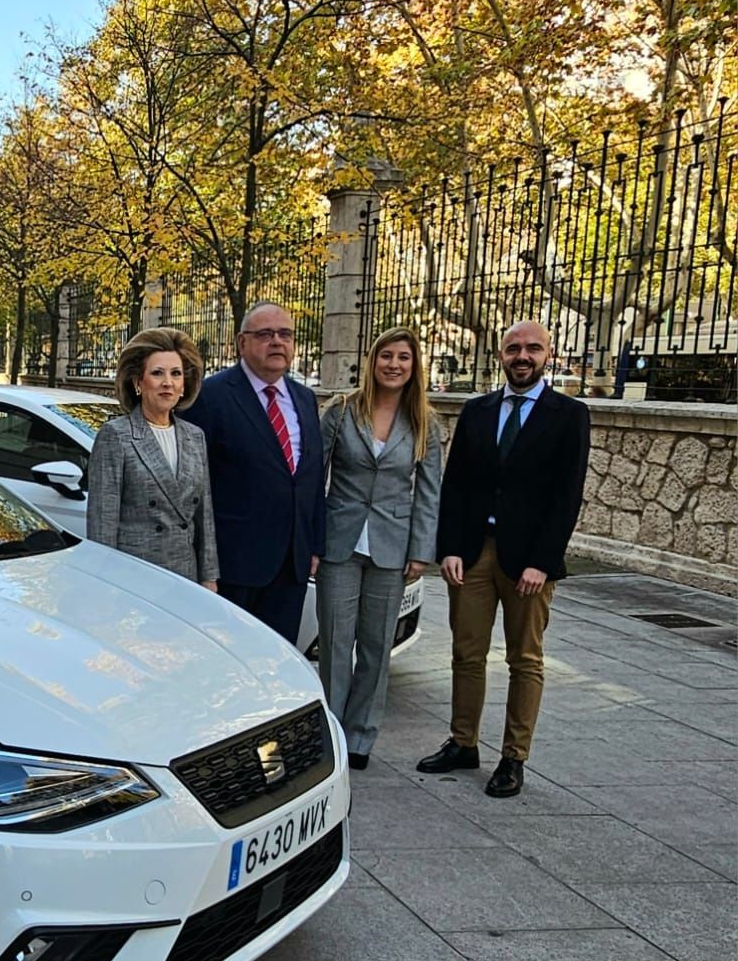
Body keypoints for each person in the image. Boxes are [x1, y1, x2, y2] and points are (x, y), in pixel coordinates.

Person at [417, 320, 591, 797]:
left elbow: (566, 496)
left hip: (528, 563)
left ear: (547, 355)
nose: (522, 356)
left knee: (524, 659)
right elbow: (455, 485)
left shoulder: (569, 414)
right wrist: (448, 547)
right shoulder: (477, 411)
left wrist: (544, 560)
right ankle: (463, 742)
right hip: (472, 554)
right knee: (466, 653)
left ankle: (514, 757)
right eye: (514, 348)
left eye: (532, 349)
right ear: (500, 354)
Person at [317, 327, 443, 770]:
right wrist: (314, 540)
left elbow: (429, 493)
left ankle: (360, 738)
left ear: (414, 366)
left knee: (376, 647)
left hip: (392, 546)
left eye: (403, 358)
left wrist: (421, 550)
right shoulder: (342, 411)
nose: (394, 364)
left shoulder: (426, 421)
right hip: (340, 541)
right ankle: (328, 733)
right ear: (372, 361)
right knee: (335, 641)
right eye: (386, 355)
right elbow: (316, 479)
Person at [180, 301, 324, 644]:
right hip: (234, 565)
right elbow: (191, 484)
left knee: (278, 661)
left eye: (285, 334)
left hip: (291, 564)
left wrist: (313, 544)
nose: (277, 342)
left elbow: (312, 478)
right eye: (265, 334)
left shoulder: (304, 399)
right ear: (242, 343)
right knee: (229, 664)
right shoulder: (210, 397)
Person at [86, 328, 219, 588]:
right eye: (157, 373)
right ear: (138, 382)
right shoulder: (116, 435)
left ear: (184, 384)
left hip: (185, 575)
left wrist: (209, 576)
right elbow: (103, 521)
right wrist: (103, 583)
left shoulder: (195, 437)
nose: (167, 382)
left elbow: (204, 514)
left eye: (176, 374)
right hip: (135, 577)